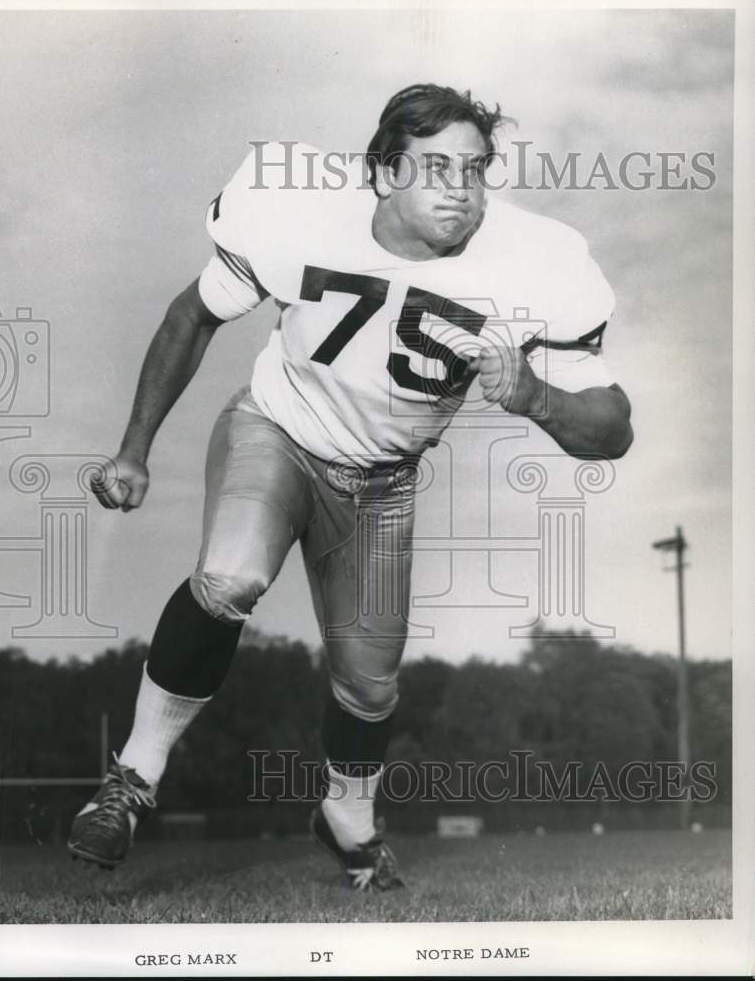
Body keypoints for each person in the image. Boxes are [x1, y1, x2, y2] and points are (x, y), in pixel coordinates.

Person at [67, 83, 633, 890]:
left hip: (382, 484)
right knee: (230, 575)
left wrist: (535, 396)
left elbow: (611, 429)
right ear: (382, 173)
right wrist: (132, 451)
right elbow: (192, 315)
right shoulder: (298, 211)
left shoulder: (536, 259)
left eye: (474, 169)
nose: (459, 189)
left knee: (368, 686)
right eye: (435, 167)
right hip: (277, 429)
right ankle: (132, 779)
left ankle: (347, 820)